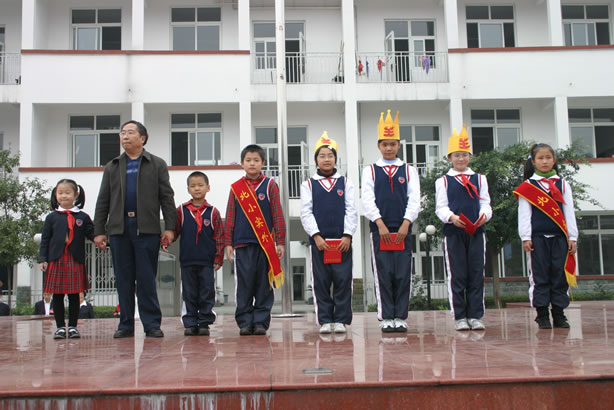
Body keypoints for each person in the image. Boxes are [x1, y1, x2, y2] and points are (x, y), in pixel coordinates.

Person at [93, 120, 176, 339]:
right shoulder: (112, 166)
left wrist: (170, 227)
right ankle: (125, 324)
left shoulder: (156, 164)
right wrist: (99, 230)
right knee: (123, 279)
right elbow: (103, 200)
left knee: (146, 278)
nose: (125, 136)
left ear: (142, 138)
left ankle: (152, 324)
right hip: (119, 229)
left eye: (130, 132)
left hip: (146, 228)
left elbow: (167, 197)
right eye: (122, 133)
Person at [361, 110, 420, 333]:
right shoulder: (370, 171)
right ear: (379, 145)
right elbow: (367, 200)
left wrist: (406, 223)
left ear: (399, 145)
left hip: (403, 230)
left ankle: (401, 316)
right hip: (380, 231)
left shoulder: (409, 170)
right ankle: (386, 316)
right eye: (385, 144)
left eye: (393, 144)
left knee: (403, 273)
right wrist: (380, 223)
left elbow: (414, 199)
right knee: (383, 273)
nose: (389, 148)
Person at [514, 143, 578, 329]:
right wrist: (526, 237)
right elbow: (524, 214)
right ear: (533, 162)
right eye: (540, 158)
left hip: (560, 237)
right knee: (539, 276)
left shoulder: (562, 184)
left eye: (548, 158)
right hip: (537, 239)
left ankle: (559, 313)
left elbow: (569, 212)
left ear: (554, 160)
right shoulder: (527, 187)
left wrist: (572, 237)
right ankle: (542, 314)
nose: (544, 161)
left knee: (559, 276)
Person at [224, 144, 286, 336]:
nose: (252, 163)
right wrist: (228, 243)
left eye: (256, 160)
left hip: (265, 245)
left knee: (263, 285)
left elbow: (277, 214)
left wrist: (280, 241)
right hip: (242, 244)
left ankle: (260, 322)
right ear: (242, 163)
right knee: (244, 285)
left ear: (263, 163)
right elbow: (230, 216)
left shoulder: (270, 185)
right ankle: (244, 322)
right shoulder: (236, 188)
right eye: (248, 160)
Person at [435, 126, 492, 331]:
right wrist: (452, 217)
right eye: (457, 155)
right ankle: (459, 316)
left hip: (476, 232)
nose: (461, 159)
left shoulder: (480, 178)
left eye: (464, 155)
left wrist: (484, 216)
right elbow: (441, 207)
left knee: (476, 273)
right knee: (457, 274)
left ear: (470, 156)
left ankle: (475, 315)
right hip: (454, 233)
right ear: (450, 157)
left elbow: (485, 203)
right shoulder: (443, 181)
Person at [300, 132, 357, 334]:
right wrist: (316, 236)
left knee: (343, 281)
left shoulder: (346, 182)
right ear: (316, 159)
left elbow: (351, 210)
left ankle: (341, 319)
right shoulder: (308, 184)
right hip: (320, 243)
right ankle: (325, 319)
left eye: (330, 155)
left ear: (335, 159)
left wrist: (347, 235)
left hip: (342, 242)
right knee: (321, 282)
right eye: (322, 156)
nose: (326, 159)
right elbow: (306, 212)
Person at [170, 171, 224, 336]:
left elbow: (219, 237)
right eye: (193, 186)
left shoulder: (213, 212)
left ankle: (204, 322)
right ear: (188, 189)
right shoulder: (181, 210)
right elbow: (174, 231)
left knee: (207, 292)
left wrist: (218, 258)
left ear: (208, 187)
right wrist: (165, 241)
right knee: (189, 293)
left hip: (207, 262)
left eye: (200, 185)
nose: (197, 188)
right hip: (187, 260)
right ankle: (190, 322)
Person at [38, 179, 94, 339]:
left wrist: (104, 241)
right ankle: (60, 327)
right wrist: (43, 258)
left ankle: (73, 327)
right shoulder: (51, 217)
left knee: (75, 295)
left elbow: (92, 234)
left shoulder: (83, 217)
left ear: (76, 195)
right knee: (57, 295)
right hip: (56, 259)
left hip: (75, 259)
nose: (64, 196)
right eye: (60, 193)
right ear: (55, 195)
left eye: (67, 192)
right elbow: (45, 240)